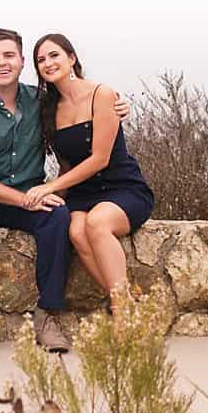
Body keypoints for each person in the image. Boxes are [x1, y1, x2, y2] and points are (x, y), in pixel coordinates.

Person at [0, 28, 130, 358]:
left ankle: (50, 316)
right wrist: (23, 198)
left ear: (21, 61)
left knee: (58, 217)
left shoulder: (42, 103)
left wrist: (120, 104)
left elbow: (82, 105)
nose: (2, 63)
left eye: (9, 55)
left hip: (29, 192)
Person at [23, 33, 155, 314]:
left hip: (122, 188)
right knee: (76, 231)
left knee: (97, 223)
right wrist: (55, 198)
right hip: (83, 193)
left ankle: (121, 313)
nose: (48, 63)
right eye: (40, 60)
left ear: (71, 59)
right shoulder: (49, 110)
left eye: (54, 55)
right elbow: (67, 166)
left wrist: (47, 187)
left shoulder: (102, 94)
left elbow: (99, 159)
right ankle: (127, 305)